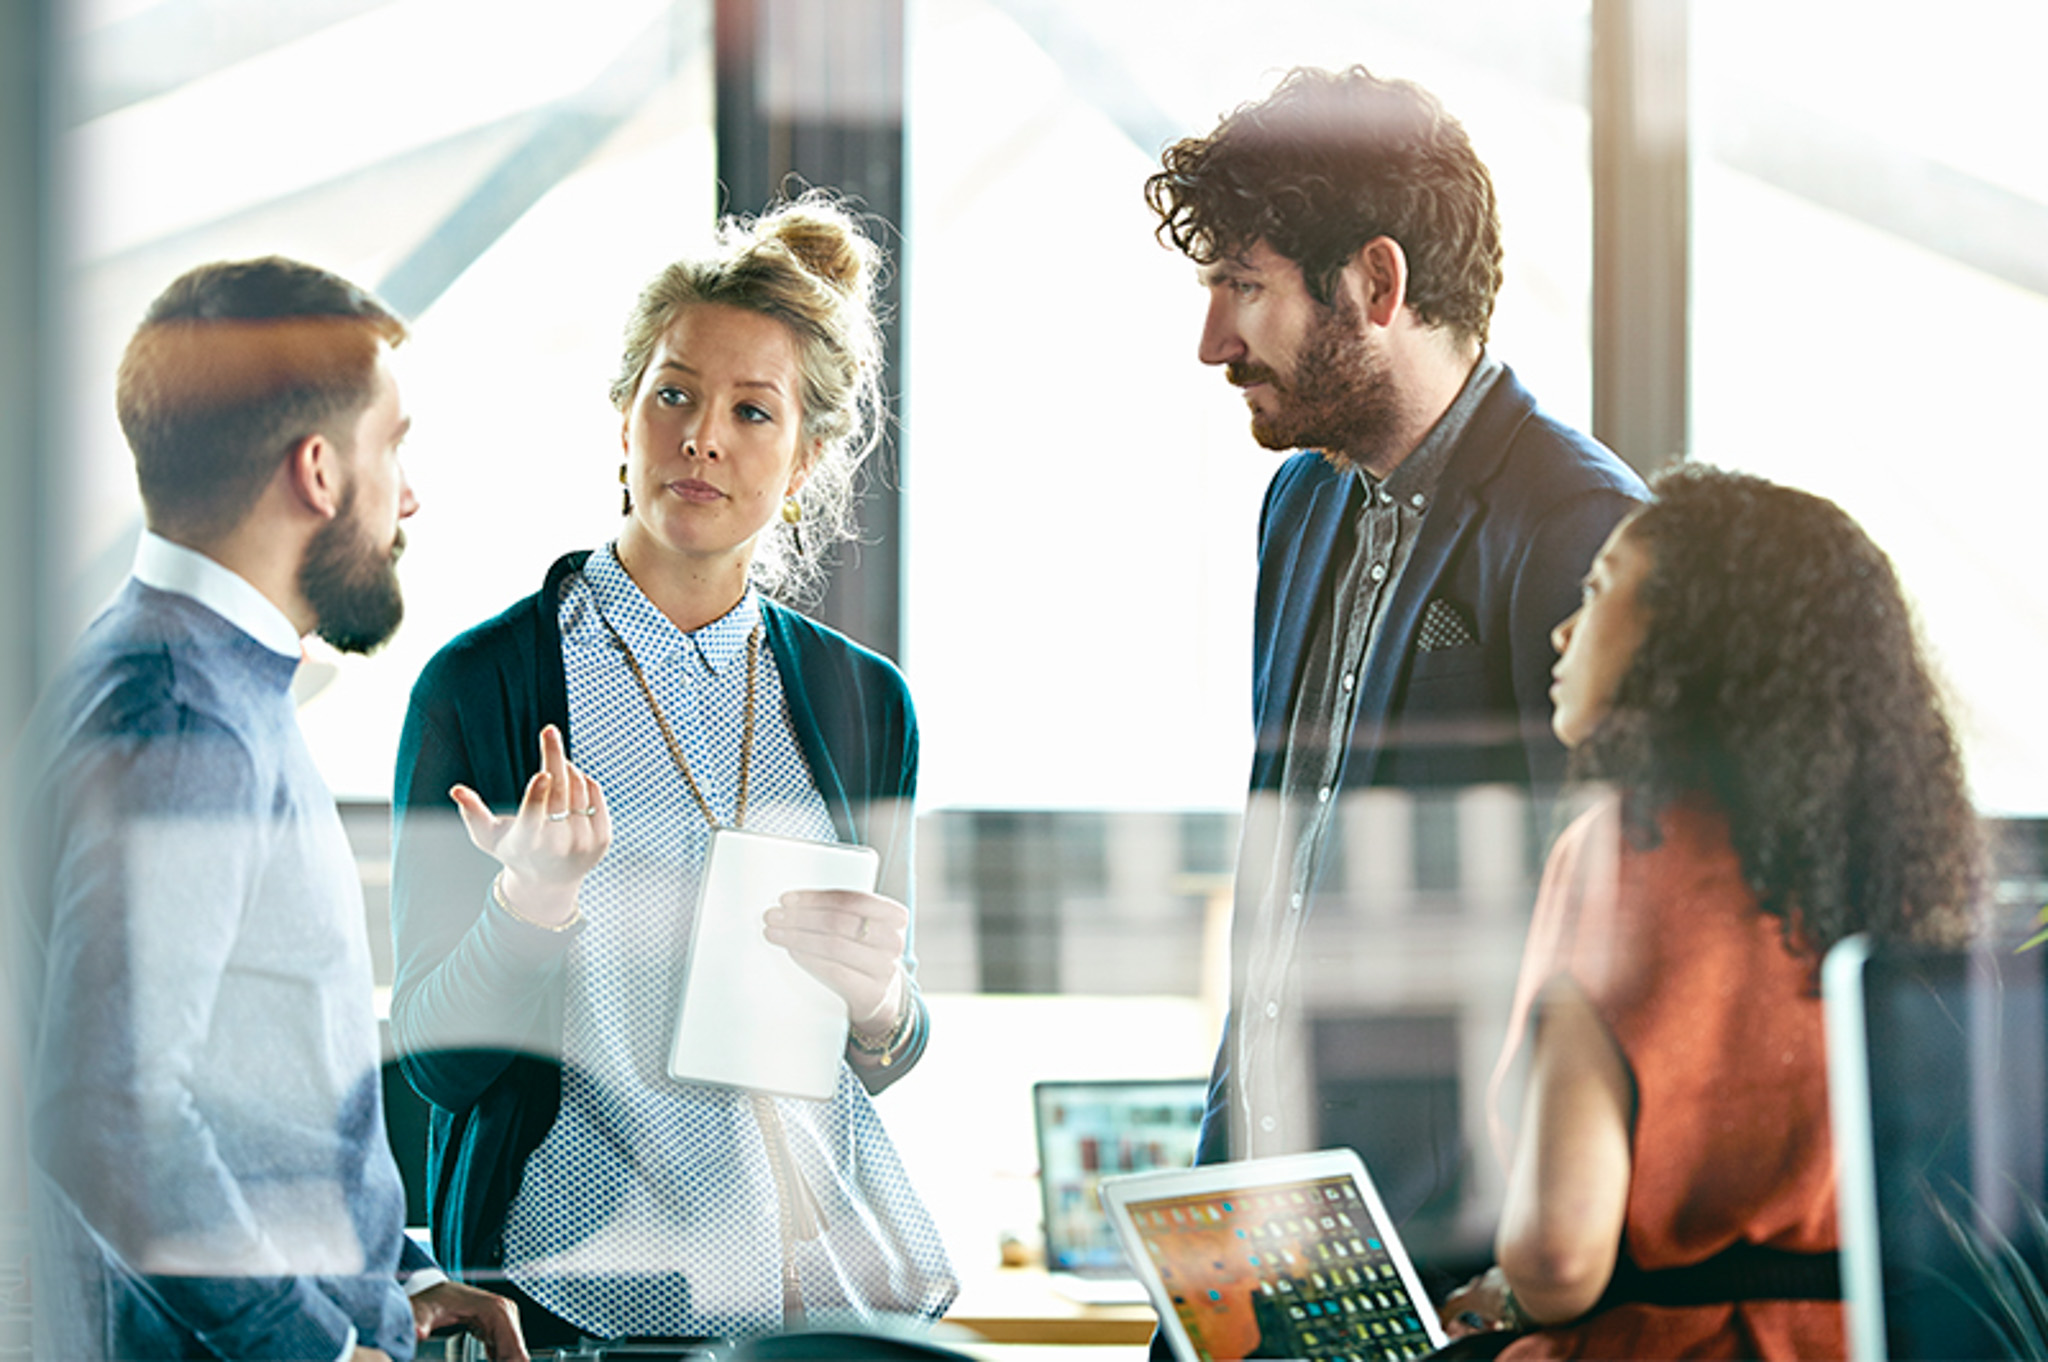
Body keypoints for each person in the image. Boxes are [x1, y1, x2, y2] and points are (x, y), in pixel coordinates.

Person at [388, 192, 955, 1347]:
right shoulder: (484, 689)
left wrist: (884, 1003)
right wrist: (525, 906)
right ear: (624, 418)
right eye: (675, 394)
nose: (703, 436)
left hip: (810, 1297)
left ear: (803, 457)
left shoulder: (863, 706)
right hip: (564, 1300)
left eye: (753, 411)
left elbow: (872, 1052)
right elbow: (436, 1072)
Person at [1142, 67, 1647, 1197]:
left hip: (1455, 1241)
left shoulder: (1583, 531)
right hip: (1268, 1210)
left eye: (1242, 287)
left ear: (1376, 282)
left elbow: (1618, 946)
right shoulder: (1300, 499)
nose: (1212, 341)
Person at [11, 258, 526, 1360]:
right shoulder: (182, 719)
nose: (413, 493)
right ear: (318, 471)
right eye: (394, 445)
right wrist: (323, 1349)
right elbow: (109, 1115)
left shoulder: (194, 674)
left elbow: (248, 1088)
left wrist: (396, 1276)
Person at [1439, 465, 1980, 1358]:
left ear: (1692, 638)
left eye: (1600, 591)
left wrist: (1509, 1295)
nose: (1563, 631)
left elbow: (1557, 1255)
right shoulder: (1900, 855)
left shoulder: (1624, 850)